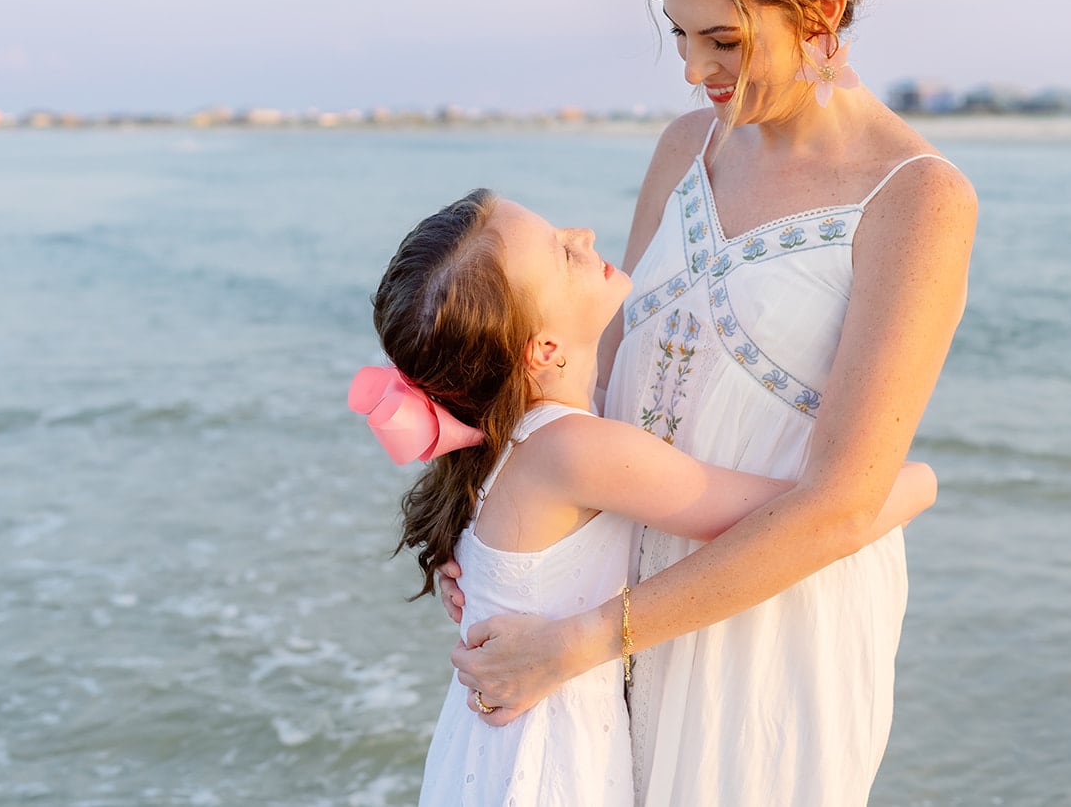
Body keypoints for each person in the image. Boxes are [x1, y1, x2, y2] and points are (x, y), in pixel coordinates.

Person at [445, 0, 977, 807]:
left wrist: (580, 636)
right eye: (678, 32)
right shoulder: (686, 144)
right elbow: (590, 389)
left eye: (723, 39)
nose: (694, 70)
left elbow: (842, 503)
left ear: (819, 10)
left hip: (771, 638)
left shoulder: (916, 201)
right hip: (602, 605)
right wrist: (497, 551)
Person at [350, 188, 938, 807]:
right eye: (562, 254)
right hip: (546, 754)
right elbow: (779, 515)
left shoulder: (499, 441)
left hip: (490, 743)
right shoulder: (576, 448)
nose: (582, 233)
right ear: (543, 350)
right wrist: (917, 483)